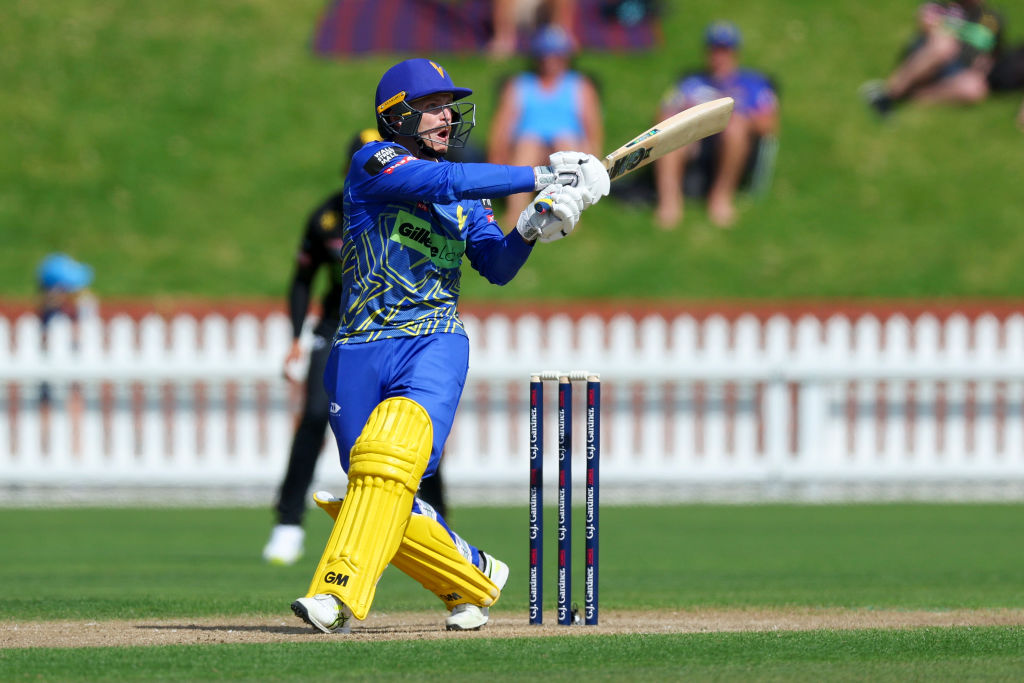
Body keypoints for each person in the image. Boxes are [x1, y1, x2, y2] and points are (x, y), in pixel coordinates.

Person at [288, 57, 609, 634]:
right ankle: (474, 576)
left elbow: (496, 265)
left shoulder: (470, 198)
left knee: (388, 460)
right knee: (376, 485)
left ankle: (336, 596)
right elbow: (435, 181)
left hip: (433, 342)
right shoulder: (374, 162)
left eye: (450, 105)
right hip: (358, 349)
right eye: (434, 105)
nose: (447, 115)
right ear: (398, 114)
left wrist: (534, 226)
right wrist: (540, 177)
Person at [262, 129, 450, 566]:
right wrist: (295, 336)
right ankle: (288, 522)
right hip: (341, 328)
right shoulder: (329, 216)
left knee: (418, 429)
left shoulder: (415, 209)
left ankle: (440, 522)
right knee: (312, 416)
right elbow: (303, 278)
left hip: (400, 326)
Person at [654, 21, 779, 229]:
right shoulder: (691, 82)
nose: (719, 56)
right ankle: (669, 202)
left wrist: (736, 117)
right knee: (669, 128)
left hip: (733, 143)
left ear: (735, 53)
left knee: (735, 126)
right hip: (693, 141)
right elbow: (662, 114)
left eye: (725, 50)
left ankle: (720, 198)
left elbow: (768, 125)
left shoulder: (753, 84)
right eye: (714, 49)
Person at [488, 23, 603, 226]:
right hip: (527, 148)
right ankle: (516, 212)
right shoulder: (520, 85)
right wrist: (496, 160)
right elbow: (502, 128)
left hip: (567, 147)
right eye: (545, 54)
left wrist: (594, 161)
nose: (550, 61)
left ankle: (568, 211)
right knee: (528, 143)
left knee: (564, 141)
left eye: (556, 55)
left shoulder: (580, 86)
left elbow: (592, 129)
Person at [861, 1, 1004, 116]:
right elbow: (925, 22)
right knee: (944, 47)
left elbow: (994, 52)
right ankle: (889, 92)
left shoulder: (993, 18)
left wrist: (984, 65)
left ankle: (911, 99)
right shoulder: (946, 5)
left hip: (958, 69)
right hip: (929, 54)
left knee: (975, 88)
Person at [36, 254, 97, 454]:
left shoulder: (72, 313)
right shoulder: (53, 317)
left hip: (72, 376)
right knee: (52, 407)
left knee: (75, 405)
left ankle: (75, 450)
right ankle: (50, 451)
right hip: (55, 376)